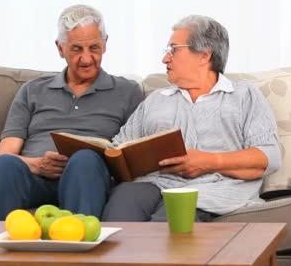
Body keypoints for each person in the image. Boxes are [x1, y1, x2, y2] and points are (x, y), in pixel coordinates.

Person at [102, 15, 281, 222]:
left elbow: (269, 157)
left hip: (213, 189)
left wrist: (208, 161)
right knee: (123, 202)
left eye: (174, 50)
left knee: (167, 223)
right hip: (154, 183)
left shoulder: (243, 96)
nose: (165, 58)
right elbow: (119, 148)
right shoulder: (156, 100)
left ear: (204, 55)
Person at [0, 4, 143, 221]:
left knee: (84, 159)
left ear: (105, 44)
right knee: (6, 166)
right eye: (76, 49)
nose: (86, 59)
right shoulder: (32, 90)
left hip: (88, 179)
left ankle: (79, 248)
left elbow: (132, 160)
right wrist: (37, 165)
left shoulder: (127, 92)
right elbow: (4, 155)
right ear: (60, 48)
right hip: (36, 177)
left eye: (94, 47)